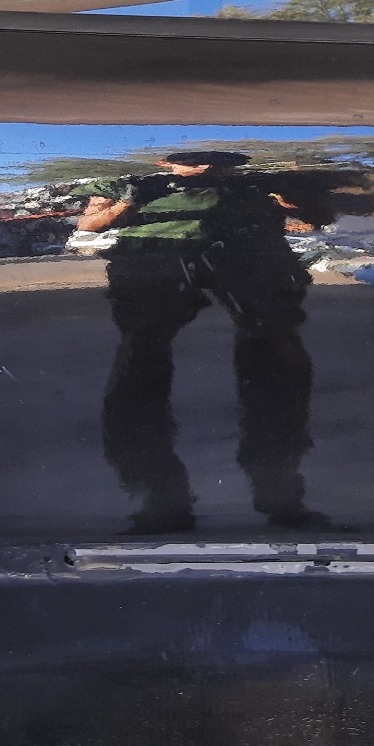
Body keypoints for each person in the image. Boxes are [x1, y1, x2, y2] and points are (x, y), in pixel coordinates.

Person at [78, 150, 332, 533]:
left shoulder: (257, 184)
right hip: (156, 263)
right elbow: (90, 224)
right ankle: (158, 497)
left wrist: (289, 194)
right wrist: (129, 201)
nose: (206, 164)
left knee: (276, 360)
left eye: (218, 158)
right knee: (141, 364)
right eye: (193, 157)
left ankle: (282, 494)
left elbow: (319, 217)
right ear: (165, 160)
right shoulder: (133, 182)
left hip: (250, 260)